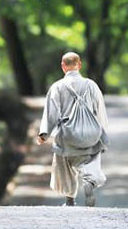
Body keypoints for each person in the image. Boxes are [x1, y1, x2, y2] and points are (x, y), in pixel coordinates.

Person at [36, 52, 109, 206]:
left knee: (65, 164)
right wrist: (102, 133)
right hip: (90, 135)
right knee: (91, 158)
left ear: (63, 66)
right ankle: (89, 179)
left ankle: (70, 199)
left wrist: (44, 134)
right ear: (79, 65)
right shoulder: (91, 85)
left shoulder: (57, 87)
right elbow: (100, 110)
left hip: (67, 136)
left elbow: (51, 113)